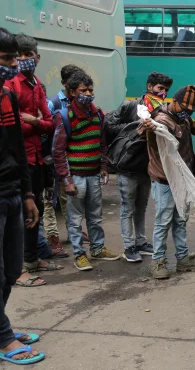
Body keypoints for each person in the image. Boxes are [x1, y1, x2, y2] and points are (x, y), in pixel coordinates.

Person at [0, 28, 45, 364]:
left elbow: (18, 147)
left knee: (12, 269)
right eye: (7, 59)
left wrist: (28, 193)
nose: (14, 65)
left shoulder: (8, 96)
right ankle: (2, 337)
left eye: (15, 58)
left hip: (13, 192)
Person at [8, 34, 62, 286]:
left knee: (35, 210)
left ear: (36, 57)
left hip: (37, 158)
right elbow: (13, 127)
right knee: (17, 215)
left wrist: (35, 121)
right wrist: (34, 122)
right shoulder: (10, 84)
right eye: (18, 56)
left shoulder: (37, 84)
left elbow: (50, 124)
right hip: (19, 159)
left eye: (27, 55)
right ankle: (18, 269)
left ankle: (31, 259)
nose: (22, 60)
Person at [52, 71, 120, 270]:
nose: (89, 93)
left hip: (93, 176)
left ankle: (98, 249)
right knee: (74, 219)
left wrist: (104, 167)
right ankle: (79, 254)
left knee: (95, 215)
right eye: (83, 90)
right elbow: (58, 151)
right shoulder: (64, 116)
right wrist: (67, 180)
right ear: (72, 92)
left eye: (90, 89)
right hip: (76, 177)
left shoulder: (97, 113)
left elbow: (101, 143)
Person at [105, 71, 173, 263]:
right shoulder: (131, 106)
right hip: (127, 166)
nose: (162, 93)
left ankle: (141, 242)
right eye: (160, 88)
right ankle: (128, 247)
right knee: (128, 208)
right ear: (150, 86)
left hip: (147, 167)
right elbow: (109, 126)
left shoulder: (162, 111)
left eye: (166, 90)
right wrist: (136, 128)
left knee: (141, 207)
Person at [142, 85, 195, 280]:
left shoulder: (183, 116)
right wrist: (151, 131)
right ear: (174, 102)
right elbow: (155, 143)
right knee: (163, 221)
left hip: (181, 177)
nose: (187, 113)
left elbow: (193, 124)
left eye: (190, 110)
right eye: (185, 109)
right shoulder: (160, 122)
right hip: (164, 179)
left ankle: (183, 258)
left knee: (180, 219)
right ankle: (158, 261)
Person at [46, 64, 86, 251]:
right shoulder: (53, 103)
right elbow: (47, 131)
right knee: (48, 199)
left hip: (70, 159)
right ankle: (52, 236)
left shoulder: (80, 103)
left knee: (68, 197)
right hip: (52, 158)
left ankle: (73, 231)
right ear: (64, 84)